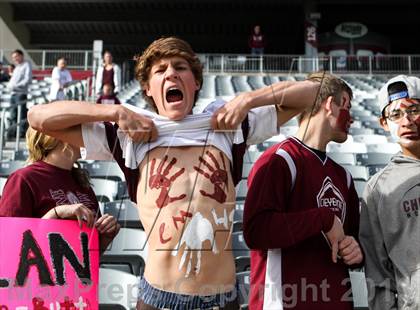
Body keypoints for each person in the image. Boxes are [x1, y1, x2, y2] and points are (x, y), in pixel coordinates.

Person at [28, 36, 320, 309]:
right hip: (158, 298)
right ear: (147, 89)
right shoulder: (130, 134)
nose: (171, 74)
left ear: (195, 83)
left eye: (180, 67)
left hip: (221, 297)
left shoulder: (228, 126)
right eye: (160, 70)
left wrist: (247, 100)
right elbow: (38, 118)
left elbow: (313, 93)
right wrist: (114, 112)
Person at [243, 72, 364, 310]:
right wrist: (322, 218)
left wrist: (355, 252)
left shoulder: (344, 176)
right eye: (346, 106)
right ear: (330, 104)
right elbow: (255, 231)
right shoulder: (278, 160)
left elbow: (351, 242)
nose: (352, 119)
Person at [0, 127, 120, 252]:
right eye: (80, 128)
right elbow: (9, 243)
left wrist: (106, 235)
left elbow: (88, 257)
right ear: (61, 137)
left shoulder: (82, 183)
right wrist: (56, 213)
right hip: (38, 271)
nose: (87, 134)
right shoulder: (24, 179)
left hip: (73, 272)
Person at [359, 75, 420, 309]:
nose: (406, 121)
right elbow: (377, 273)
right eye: (395, 114)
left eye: (414, 110)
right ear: (384, 123)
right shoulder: (378, 190)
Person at [6, 49, 32, 139]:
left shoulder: (26, 65)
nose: (15, 59)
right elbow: (12, 81)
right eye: (13, 57)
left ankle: (21, 133)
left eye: (16, 56)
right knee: (13, 114)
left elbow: (27, 79)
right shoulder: (17, 67)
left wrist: (15, 86)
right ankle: (13, 132)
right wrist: (9, 86)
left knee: (21, 114)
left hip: (20, 93)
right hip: (13, 94)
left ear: (21, 56)